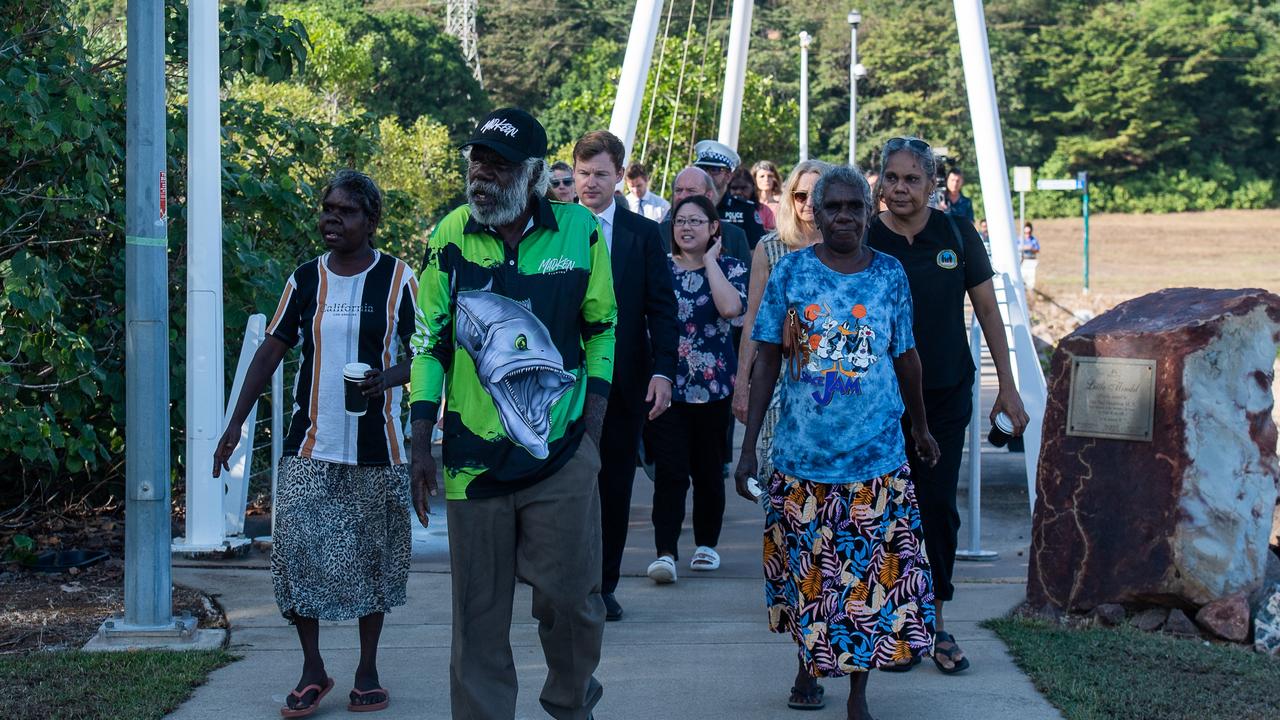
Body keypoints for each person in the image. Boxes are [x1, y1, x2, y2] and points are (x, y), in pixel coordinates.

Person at [408, 108, 616, 720]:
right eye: (477, 161)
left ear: (530, 174)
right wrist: (422, 442)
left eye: (497, 166)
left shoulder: (580, 231)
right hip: (472, 465)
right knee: (478, 616)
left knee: (573, 602)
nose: (481, 175)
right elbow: (430, 345)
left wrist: (593, 430)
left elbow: (601, 327)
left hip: (562, 452)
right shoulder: (447, 236)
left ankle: (571, 702)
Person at [734, 165, 939, 719]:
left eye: (854, 207)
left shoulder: (890, 275)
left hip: (875, 458)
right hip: (802, 457)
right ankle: (807, 666)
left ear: (869, 213)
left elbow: (906, 355)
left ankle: (857, 695)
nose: (844, 216)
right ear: (814, 214)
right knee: (810, 578)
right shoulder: (792, 274)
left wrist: (920, 428)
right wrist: (749, 445)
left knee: (867, 582)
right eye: (833, 208)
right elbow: (769, 360)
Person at [212, 170, 415, 717]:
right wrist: (234, 424)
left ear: (370, 222)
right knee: (296, 560)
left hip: (379, 449)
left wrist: (388, 380)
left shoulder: (399, 279)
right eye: (327, 209)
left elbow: (428, 356)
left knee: (374, 561)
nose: (331, 219)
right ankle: (312, 670)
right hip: (310, 446)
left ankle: (367, 671)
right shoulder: (305, 280)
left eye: (345, 211)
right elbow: (272, 351)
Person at [867, 136, 1030, 675]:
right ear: (880, 182)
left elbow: (987, 309)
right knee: (885, 509)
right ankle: (894, 626)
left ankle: (934, 623)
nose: (901, 188)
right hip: (876, 400)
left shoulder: (956, 234)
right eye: (892, 178)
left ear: (933, 185)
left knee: (935, 508)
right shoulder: (864, 237)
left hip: (945, 396)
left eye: (913, 179)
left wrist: (1007, 386)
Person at [573, 131, 679, 621]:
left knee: (614, 481)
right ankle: (563, 581)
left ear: (620, 175)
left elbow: (662, 310)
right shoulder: (553, 229)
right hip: (562, 382)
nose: (590, 182)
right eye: (582, 172)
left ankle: (603, 584)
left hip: (625, 379)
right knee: (562, 483)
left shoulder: (642, 235)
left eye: (600, 173)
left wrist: (663, 373)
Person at [644, 194, 747, 584]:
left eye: (695, 222)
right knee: (670, 472)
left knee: (707, 471)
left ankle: (706, 544)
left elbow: (730, 310)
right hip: (666, 385)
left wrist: (709, 263)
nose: (686, 228)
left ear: (713, 228)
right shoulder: (659, 269)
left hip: (714, 389)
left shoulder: (731, 268)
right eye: (679, 221)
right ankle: (665, 552)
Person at [732, 159, 829, 483]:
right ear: (790, 198)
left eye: (817, 195)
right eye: (801, 196)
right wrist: (742, 386)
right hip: (779, 381)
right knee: (780, 479)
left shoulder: (847, 248)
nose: (809, 203)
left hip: (836, 384)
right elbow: (752, 322)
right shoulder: (771, 247)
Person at [659, 166, 752, 270]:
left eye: (691, 190)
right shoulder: (659, 232)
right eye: (678, 190)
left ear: (708, 195)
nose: (682, 196)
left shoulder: (734, 236)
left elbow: (747, 282)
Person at [694, 139, 768, 250]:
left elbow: (756, 251)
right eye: (702, 169)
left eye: (715, 170)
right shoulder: (687, 205)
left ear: (728, 176)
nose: (707, 175)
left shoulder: (745, 209)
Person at [1019, 222, 1040, 292]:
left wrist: (1031, 248)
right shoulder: (1020, 239)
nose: (1027, 234)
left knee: (1031, 282)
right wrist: (1023, 248)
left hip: (1031, 261)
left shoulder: (1033, 240)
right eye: (1025, 232)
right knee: (1022, 280)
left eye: (1029, 232)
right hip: (1022, 261)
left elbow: (1037, 249)